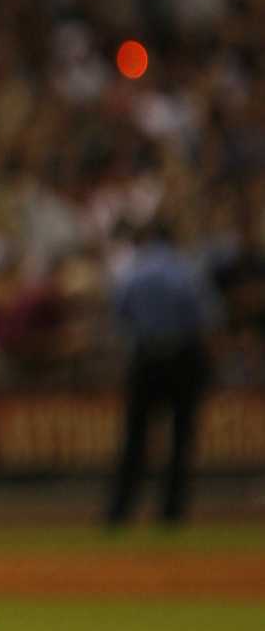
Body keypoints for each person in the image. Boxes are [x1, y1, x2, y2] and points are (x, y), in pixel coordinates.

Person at [106, 220, 214, 526]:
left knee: (135, 439)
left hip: (145, 358)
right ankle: (171, 512)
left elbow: (119, 317)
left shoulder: (134, 272)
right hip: (182, 357)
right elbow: (204, 319)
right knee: (181, 440)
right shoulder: (186, 270)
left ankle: (120, 511)